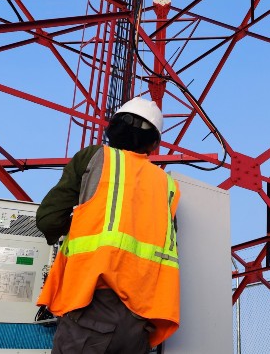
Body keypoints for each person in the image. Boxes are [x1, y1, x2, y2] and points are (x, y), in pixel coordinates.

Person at [36, 97, 180, 353]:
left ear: (112, 128)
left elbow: (48, 220)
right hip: (141, 320)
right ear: (154, 144)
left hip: (93, 307)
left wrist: (79, 223)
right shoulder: (168, 185)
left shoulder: (95, 157)